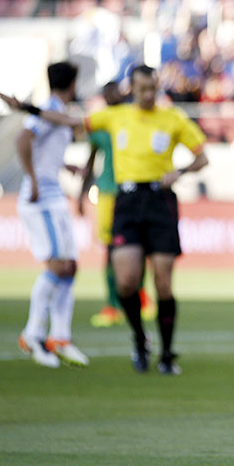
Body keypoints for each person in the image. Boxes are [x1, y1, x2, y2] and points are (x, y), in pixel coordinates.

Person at [3, 65, 209, 375]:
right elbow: (69, 120)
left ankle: (167, 354)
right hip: (127, 202)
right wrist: (26, 107)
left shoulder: (174, 118)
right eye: (142, 89)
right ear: (132, 89)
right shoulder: (115, 116)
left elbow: (202, 157)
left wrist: (180, 171)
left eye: (152, 88)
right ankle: (140, 339)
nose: (148, 94)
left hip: (159, 201)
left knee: (163, 283)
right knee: (126, 281)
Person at [4, 61, 90, 369]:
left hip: (53, 194)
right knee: (58, 265)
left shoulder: (54, 111)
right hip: (41, 198)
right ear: (73, 83)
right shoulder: (49, 110)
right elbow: (23, 139)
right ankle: (33, 334)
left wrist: (65, 166)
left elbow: (44, 148)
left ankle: (60, 338)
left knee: (70, 266)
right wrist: (34, 178)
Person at [78, 82, 157, 328]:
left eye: (115, 92)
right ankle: (112, 304)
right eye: (107, 93)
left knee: (138, 246)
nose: (112, 96)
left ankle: (141, 297)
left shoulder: (134, 118)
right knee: (112, 250)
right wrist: (81, 194)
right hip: (107, 193)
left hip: (133, 191)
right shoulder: (101, 126)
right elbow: (91, 161)